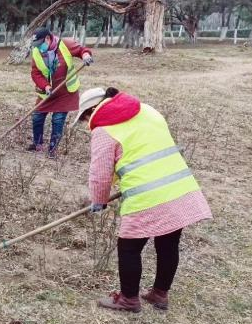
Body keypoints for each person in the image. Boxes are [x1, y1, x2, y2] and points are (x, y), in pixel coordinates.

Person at [73, 87, 212, 313]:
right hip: (177, 187)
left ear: (91, 111)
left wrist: (99, 201)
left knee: (129, 247)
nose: (87, 123)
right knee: (168, 243)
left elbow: (100, 174)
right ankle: (159, 294)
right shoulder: (147, 110)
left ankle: (128, 299)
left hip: (146, 195)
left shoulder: (104, 130)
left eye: (85, 117)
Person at [28, 27, 94, 158]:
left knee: (58, 120)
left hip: (65, 91)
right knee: (37, 116)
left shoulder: (65, 44)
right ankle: (37, 144)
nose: (38, 48)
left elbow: (82, 50)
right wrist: (46, 86)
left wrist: (86, 55)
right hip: (47, 92)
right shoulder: (36, 52)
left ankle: (52, 150)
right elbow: (35, 73)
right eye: (36, 45)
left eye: (40, 44)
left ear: (47, 38)